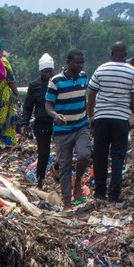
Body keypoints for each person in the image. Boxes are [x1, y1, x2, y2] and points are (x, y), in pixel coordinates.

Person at [85, 42, 134, 203]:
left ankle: (100, 192)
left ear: (111, 52)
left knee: (100, 155)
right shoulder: (132, 72)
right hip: (121, 119)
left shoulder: (101, 69)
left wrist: (91, 116)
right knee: (118, 157)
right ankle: (114, 194)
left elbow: (91, 94)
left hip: (102, 118)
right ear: (125, 54)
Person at [45, 49, 90, 209]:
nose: (80, 65)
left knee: (84, 155)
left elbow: (85, 99)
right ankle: (67, 202)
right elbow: (48, 104)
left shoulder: (84, 77)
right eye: (77, 62)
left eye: (82, 62)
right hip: (62, 130)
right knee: (64, 165)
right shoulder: (56, 81)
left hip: (81, 126)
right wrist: (55, 115)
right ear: (68, 62)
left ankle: (77, 181)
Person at [21, 54, 55, 186]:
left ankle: (58, 176)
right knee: (43, 152)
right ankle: (40, 179)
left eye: (50, 71)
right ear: (41, 71)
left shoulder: (58, 83)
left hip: (57, 122)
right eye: (45, 72)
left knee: (62, 152)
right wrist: (24, 123)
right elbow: (28, 106)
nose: (48, 74)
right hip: (42, 123)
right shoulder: (34, 85)